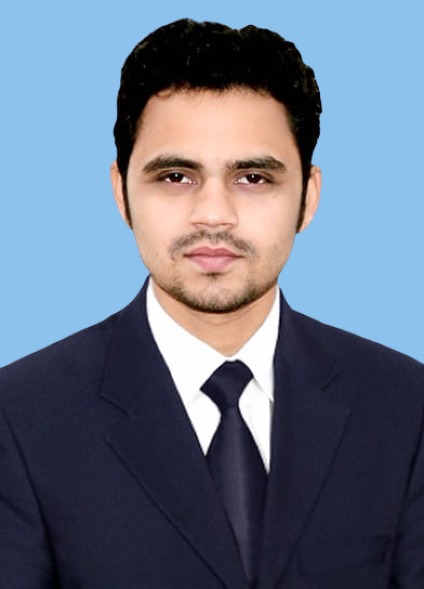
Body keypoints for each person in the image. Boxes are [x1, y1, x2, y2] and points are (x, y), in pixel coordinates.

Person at [0, 18, 423, 589]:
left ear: (309, 196)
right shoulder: (19, 417)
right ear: (122, 192)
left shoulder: (405, 406)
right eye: (176, 176)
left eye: (253, 177)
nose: (214, 215)